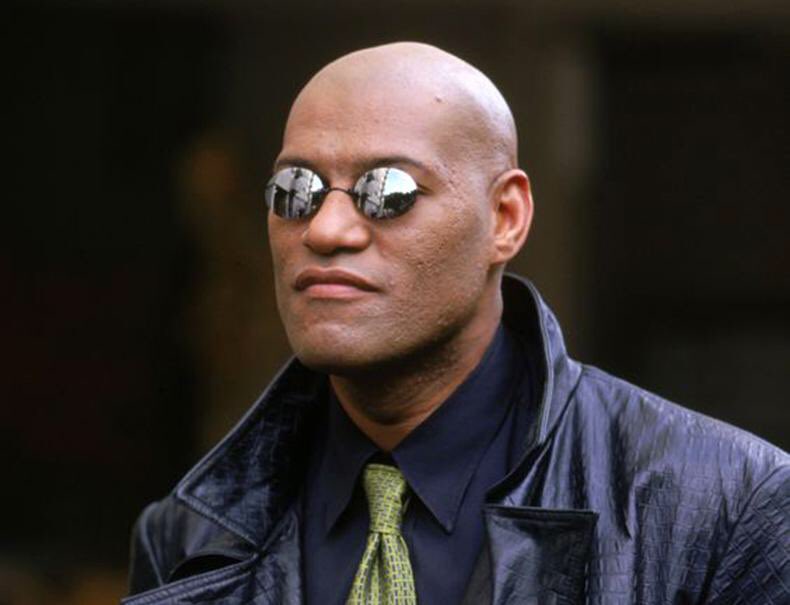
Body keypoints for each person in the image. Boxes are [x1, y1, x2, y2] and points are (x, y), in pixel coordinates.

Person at [124, 42, 789, 605]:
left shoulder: (725, 507)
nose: (325, 229)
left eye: (387, 191)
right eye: (295, 190)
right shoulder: (188, 536)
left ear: (505, 218)